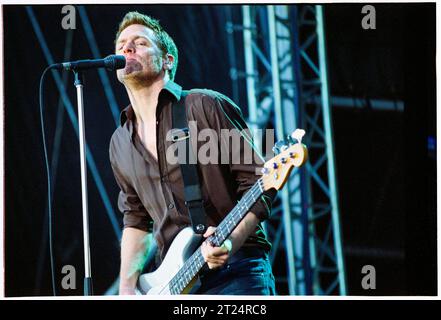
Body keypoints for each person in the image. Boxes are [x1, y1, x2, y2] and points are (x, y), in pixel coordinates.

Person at [109, 11, 276, 295]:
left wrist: (228, 243)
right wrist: (126, 288)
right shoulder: (119, 142)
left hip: (235, 272)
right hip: (175, 285)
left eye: (140, 42)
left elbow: (260, 184)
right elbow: (136, 220)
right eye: (122, 44)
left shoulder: (205, 106)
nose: (127, 47)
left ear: (167, 60)